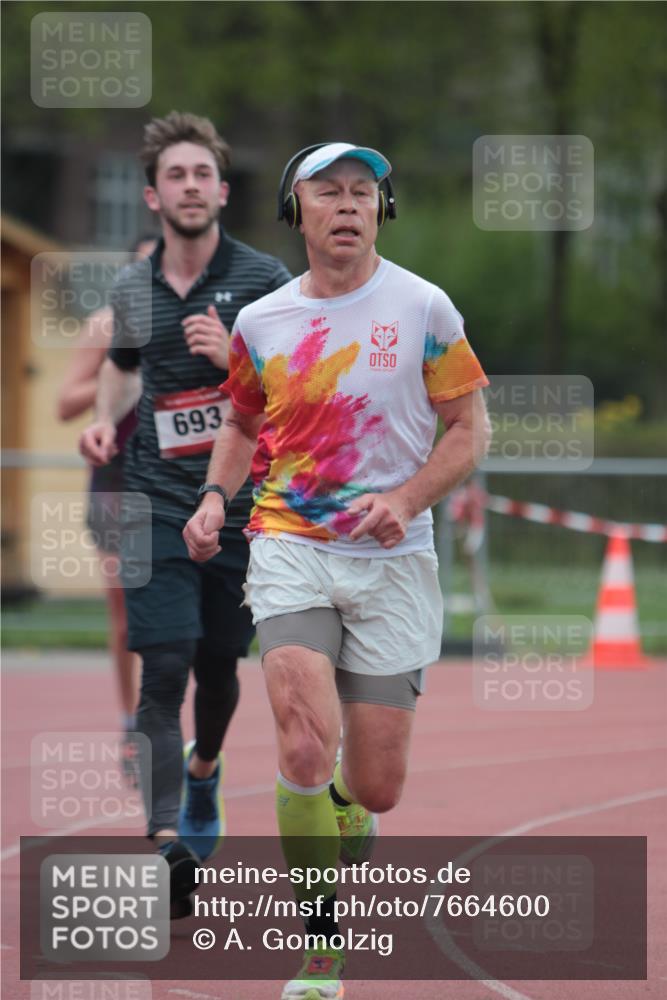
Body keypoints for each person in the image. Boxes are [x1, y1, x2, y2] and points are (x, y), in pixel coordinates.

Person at [183, 141, 491, 998]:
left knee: (376, 785)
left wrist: (405, 496)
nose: (350, 204)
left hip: (393, 557)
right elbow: (242, 424)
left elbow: (466, 431)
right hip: (289, 542)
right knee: (302, 738)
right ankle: (320, 948)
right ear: (299, 212)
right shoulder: (263, 323)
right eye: (331, 192)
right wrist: (215, 499)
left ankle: (351, 807)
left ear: (380, 212)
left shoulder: (425, 308)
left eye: (365, 192)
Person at [79, 112, 292, 914]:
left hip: (236, 509)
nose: (191, 186)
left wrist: (230, 354)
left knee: (217, 666)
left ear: (223, 190)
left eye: (203, 174)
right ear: (153, 193)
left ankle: (204, 771)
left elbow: (295, 396)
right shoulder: (132, 285)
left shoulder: (265, 280)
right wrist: (105, 416)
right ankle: (165, 842)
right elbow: (121, 368)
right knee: (162, 669)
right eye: (177, 175)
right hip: (152, 501)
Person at [58, 235, 157, 783]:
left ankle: (162, 717)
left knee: (180, 611)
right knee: (124, 608)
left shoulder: (196, 321)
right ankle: (131, 722)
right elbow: (63, 403)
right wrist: (117, 377)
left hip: (177, 479)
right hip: (118, 479)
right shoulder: (106, 324)